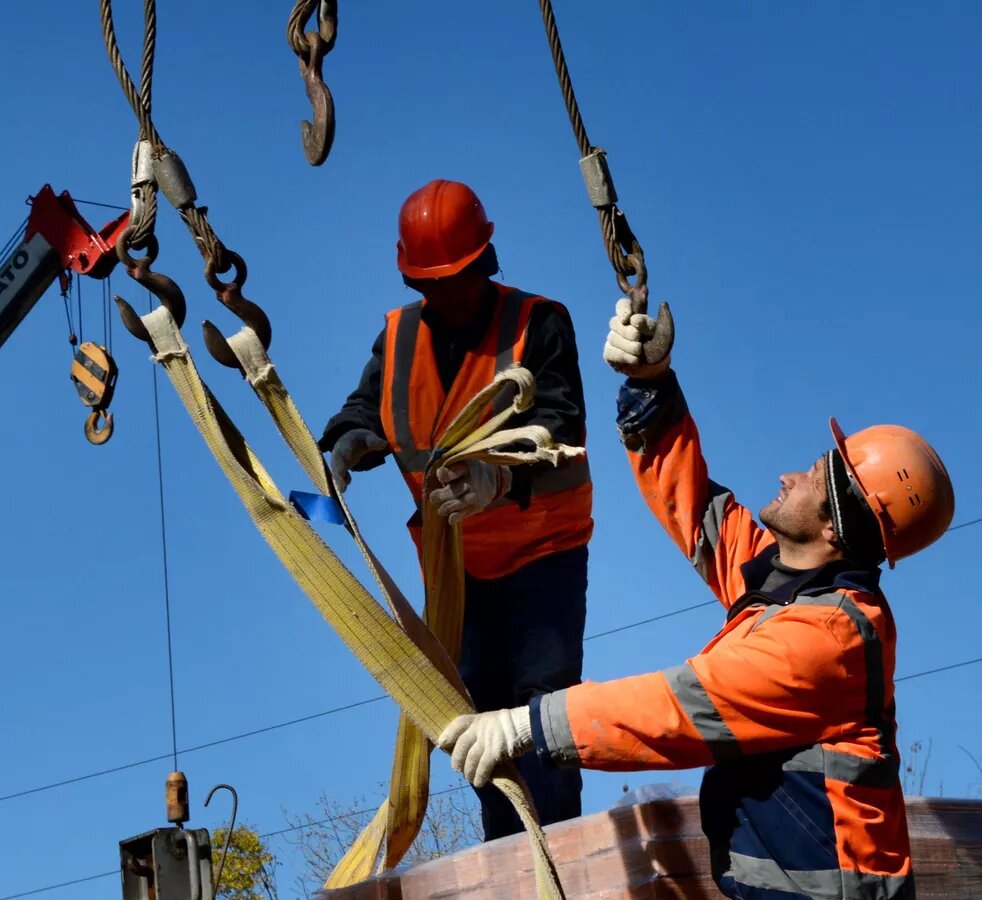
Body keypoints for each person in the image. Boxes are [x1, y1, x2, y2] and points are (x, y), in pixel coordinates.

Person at [438, 297, 954, 900]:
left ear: (834, 528)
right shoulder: (775, 584)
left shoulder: (830, 639)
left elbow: (683, 706)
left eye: (814, 476)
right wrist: (649, 382)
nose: (789, 476)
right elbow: (693, 506)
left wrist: (529, 726)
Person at [318, 179, 593, 839]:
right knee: (477, 730)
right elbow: (369, 408)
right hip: (458, 575)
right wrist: (344, 444)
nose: (447, 294)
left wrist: (496, 478)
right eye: (432, 283)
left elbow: (561, 420)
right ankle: (511, 860)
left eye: (457, 279)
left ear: (484, 264)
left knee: (541, 718)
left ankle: (554, 861)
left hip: (541, 559)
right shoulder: (399, 337)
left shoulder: (537, 323)